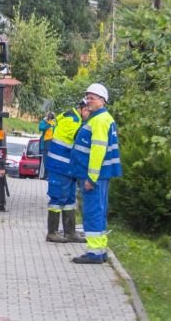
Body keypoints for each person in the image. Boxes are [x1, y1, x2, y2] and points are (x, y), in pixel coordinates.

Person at [70, 82, 122, 264]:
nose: (88, 101)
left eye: (91, 98)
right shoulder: (102, 118)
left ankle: (94, 253)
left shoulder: (99, 120)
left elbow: (97, 151)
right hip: (101, 176)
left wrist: (91, 178)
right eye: (87, 97)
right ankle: (100, 250)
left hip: (93, 176)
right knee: (99, 211)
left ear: (102, 100)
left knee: (92, 212)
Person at [42, 98, 90, 243]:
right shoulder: (73, 121)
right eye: (87, 110)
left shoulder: (75, 118)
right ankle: (52, 232)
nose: (89, 113)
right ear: (81, 108)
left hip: (68, 168)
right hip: (60, 167)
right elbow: (80, 140)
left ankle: (70, 232)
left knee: (69, 200)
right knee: (57, 198)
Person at [37, 111, 55, 179]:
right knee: (44, 161)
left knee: (49, 160)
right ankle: (44, 175)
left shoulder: (54, 123)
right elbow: (41, 128)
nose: (50, 118)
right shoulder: (44, 122)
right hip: (44, 144)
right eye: (49, 117)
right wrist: (47, 124)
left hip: (51, 143)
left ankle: (47, 176)